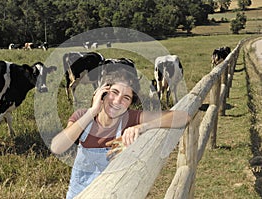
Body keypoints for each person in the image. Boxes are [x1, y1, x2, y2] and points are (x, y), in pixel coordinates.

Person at [50, 65, 190, 199]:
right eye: (114, 93)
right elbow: (57, 147)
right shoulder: (82, 117)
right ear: (102, 93)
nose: (117, 101)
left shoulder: (131, 118)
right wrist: (92, 111)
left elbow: (183, 117)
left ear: (130, 104)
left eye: (126, 98)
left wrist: (143, 127)